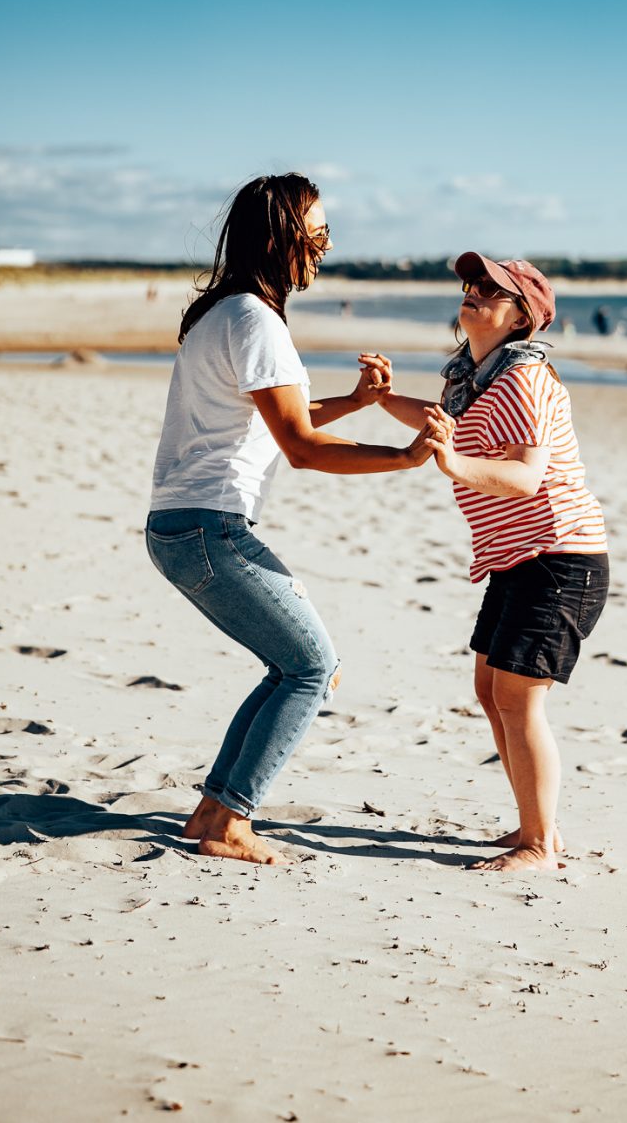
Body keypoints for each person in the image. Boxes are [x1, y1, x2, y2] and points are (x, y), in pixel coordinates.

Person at [145, 173, 446, 866]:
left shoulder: (220, 313)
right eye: (317, 232)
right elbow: (303, 449)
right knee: (313, 666)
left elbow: (283, 419)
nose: (325, 246)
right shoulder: (255, 320)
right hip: (208, 530)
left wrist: (357, 401)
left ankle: (211, 811)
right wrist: (403, 457)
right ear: (282, 237)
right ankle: (230, 822)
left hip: (181, 527)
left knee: (291, 665)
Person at [364, 254, 609, 873]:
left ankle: (539, 844)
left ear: (522, 314)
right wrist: (383, 400)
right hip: (516, 559)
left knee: (517, 696)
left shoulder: (524, 378)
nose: (471, 294)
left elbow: (527, 476)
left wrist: (453, 466)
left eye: (490, 291)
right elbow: (440, 419)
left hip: (561, 558)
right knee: (488, 690)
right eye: (470, 286)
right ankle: (535, 824)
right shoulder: (472, 377)